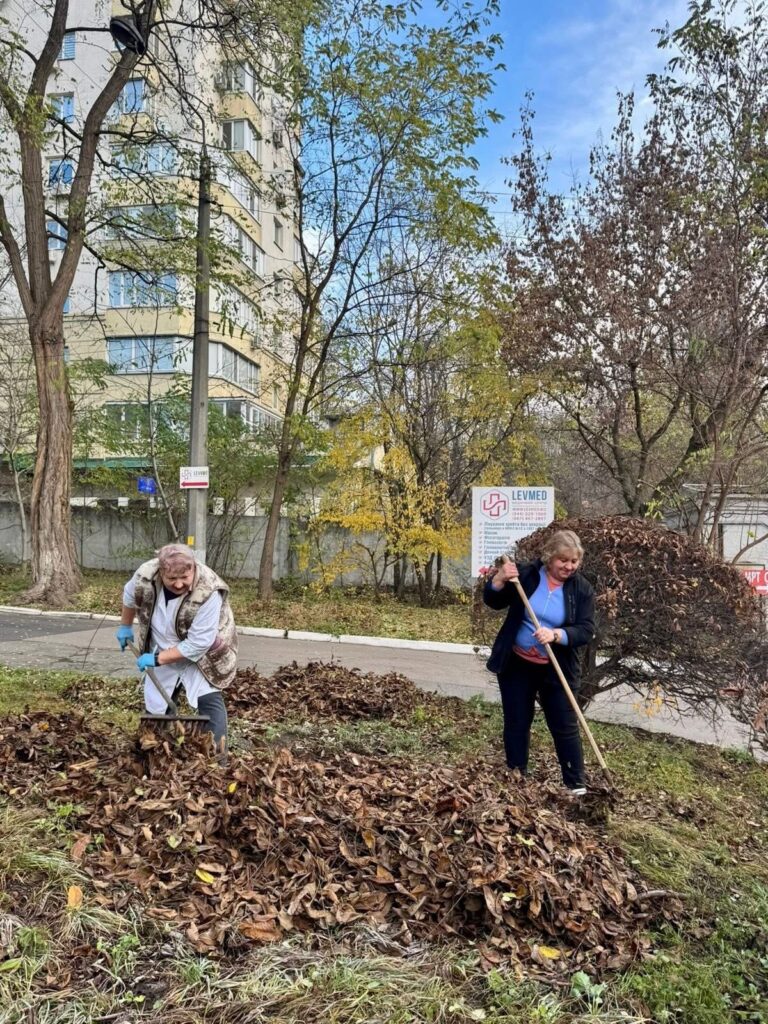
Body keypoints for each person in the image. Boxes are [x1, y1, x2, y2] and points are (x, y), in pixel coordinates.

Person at [483, 529, 595, 793]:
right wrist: (498, 579)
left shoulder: (582, 589)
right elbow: (494, 601)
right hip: (517, 664)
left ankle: (575, 785)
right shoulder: (527, 575)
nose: (569, 566)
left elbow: (586, 630)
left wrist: (557, 635)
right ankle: (517, 775)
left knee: (564, 725)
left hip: (556, 668)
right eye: (563, 560)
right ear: (550, 557)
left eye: (574, 561)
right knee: (517, 721)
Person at [116, 543, 237, 752]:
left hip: (204, 653)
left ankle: (218, 756)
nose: (179, 584)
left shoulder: (209, 590)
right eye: (172, 578)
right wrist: (125, 626)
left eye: (185, 577)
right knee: (156, 703)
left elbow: (199, 643)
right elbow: (129, 596)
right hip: (162, 641)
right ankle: (155, 751)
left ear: (193, 568)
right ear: (161, 571)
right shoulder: (145, 575)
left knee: (208, 697)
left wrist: (157, 659)